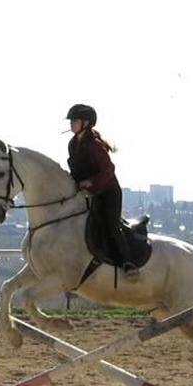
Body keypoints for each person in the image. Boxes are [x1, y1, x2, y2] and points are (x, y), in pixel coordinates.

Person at [65, 103, 138, 278]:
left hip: (109, 192)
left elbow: (109, 170)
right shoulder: (73, 144)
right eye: (71, 121)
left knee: (111, 226)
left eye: (75, 120)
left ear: (86, 123)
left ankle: (127, 263)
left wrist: (90, 182)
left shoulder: (95, 145)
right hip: (93, 193)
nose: (71, 124)